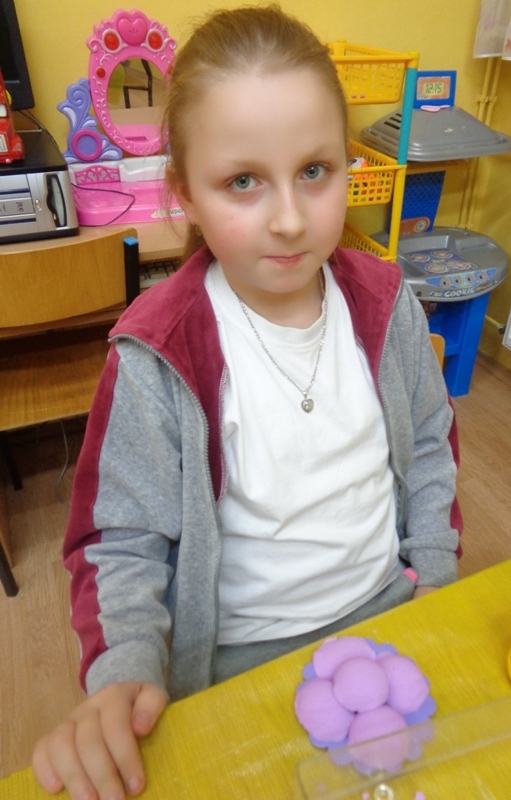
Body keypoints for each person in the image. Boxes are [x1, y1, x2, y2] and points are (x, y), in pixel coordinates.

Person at [32, 5, 462, 799]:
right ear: (185, 194)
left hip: (392, 614)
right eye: (242, 182)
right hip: (238, 663)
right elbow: (119, 542)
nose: (290, 219)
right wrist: (125, 668)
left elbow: (431, 443)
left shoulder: (384, 302)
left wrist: (432, 577)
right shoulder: (158, 352)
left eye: (314, 171)